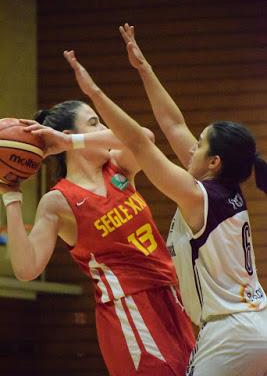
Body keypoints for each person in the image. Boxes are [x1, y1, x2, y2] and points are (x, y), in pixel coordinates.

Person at [58, 25, 267, 376]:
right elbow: (173, 122)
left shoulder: (196, 194)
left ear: (214, 162)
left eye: (199, 144)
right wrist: (144, 69)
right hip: (257, 323)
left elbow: (140, 143)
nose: (191, 147)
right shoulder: (226, 187)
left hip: (229, 333)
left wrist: (93, 92)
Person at [0, 100, 195, 374]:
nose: (103, 130)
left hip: (170, 295)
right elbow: (26, 268)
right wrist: (12, 198)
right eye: (94, 123)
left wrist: (75, 141)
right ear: (67, 137)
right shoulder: (58, 201)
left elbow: (143, 137)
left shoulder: (119, 167)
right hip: (128, 309)